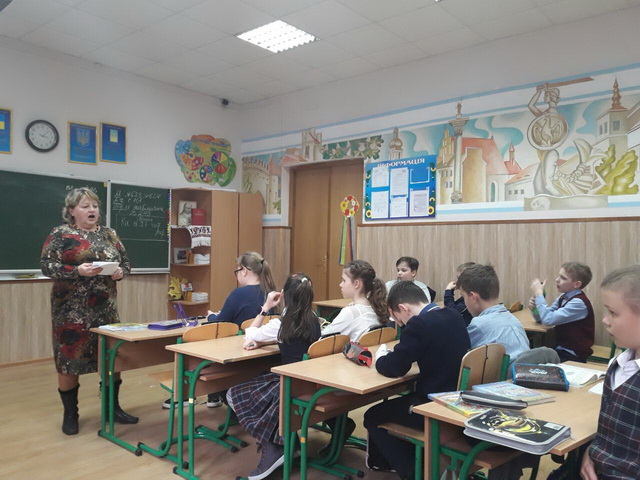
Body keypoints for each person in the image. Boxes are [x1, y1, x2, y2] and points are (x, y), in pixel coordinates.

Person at [41, 187, 136, 435]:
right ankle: (70, 414)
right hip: (70, 312)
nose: (92, 210)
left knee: (112, 356)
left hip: (105, 310)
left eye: (94, 206)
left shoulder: (109, 234)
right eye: (85, 206)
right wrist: (77, 271)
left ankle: (112, 408)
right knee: (70, 361)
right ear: (72, 211)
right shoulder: (61, 234)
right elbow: (47, 266)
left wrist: (120, 272)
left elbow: (126, 262)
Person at [364, 281, 470, 479]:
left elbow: (395, 367)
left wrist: (380, 358)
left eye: (399, 319)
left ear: (403, 308)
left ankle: (412, 472)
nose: (402, 325)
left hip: (433, 407)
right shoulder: (453, 315)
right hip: (457, 400)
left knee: (372, 415)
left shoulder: (419, 324)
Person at [227, 273, 321, 480]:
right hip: (309, 384)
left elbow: (249, 332)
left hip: (288, 386)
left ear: (284, 294)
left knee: (234, 393)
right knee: (261, 385)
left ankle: (273, 447)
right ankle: (290, 444)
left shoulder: (283, 323)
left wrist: (266, 308)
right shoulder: (315, 319)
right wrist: (265, 341)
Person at [579, 265, 640, 480]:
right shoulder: (617, 364)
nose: (605, 320)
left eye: (613, 312)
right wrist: (590, 452)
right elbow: (609, 432)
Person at [194, 251, 276, 409]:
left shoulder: (238, 294)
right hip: (263, 356)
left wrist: (211, 316)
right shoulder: (270, 292)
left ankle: (217, 393)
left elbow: (220, 322)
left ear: (244, 270)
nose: (237, 274)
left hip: (238, 356)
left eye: (237, 271)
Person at [457, 264, 529, 363]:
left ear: (473, 297)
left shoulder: (479, 324)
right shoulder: (512, 319)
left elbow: (459, 351)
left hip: (506, 372)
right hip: (525, 369)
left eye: (463, 297)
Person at [529, 261, 594, 363]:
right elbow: (542, 319)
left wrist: (539, 294)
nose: (557, 280)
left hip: (573, 354)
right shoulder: (563, 297)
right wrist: (535, 308)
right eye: (559, 276)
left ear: (577, 284)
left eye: (563, 278)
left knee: (534, 361)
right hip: (561, 349)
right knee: (533, 357)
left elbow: (548, 320)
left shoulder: (578, 303)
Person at [322, 259, 388, 342]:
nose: (340, 284)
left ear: (356, 284)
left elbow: (322, 338)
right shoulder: (375, 307)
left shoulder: (350, 312)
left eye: (344, 281)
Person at [444, 261, 476, 325]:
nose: (457, 282)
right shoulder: (464, 297)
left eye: (460, 279)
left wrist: (448, 291)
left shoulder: (471, 298)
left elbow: (452, 312)